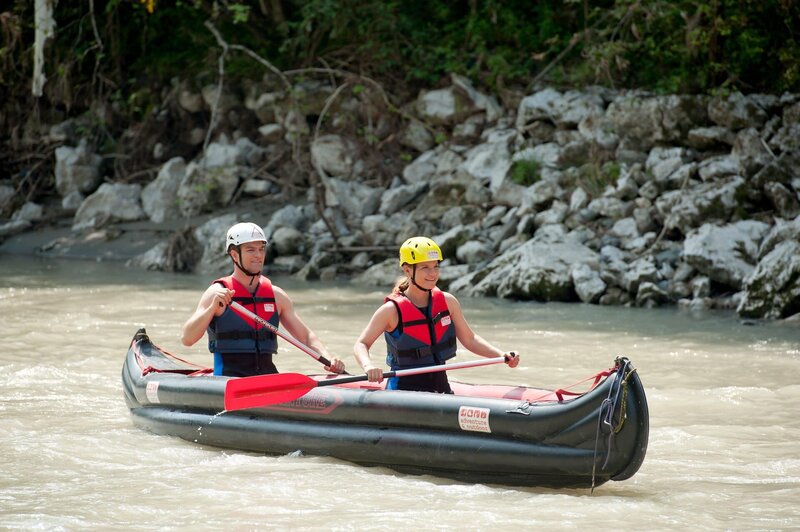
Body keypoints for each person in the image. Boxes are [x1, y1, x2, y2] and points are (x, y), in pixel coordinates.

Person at [354, 236, 519, 393]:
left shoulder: (448, 302)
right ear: (407, 270)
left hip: (439, 383)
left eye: (436, 266)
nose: (433, 274)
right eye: (425, 267)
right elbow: (361, 343)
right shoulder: (391, 310)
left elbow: (470, 339)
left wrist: (500, 355)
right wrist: (368, 366)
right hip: (403, 388)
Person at [181, 222, 346, 377]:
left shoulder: (276, 296)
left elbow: (305, 336)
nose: (258, 255)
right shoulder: (217, 293)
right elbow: (187, 339)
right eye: (250, 250)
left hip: (267, 378)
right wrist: (211, 309)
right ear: (234, 255)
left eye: (261, 249)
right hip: (228, 380)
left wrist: (328, 357)